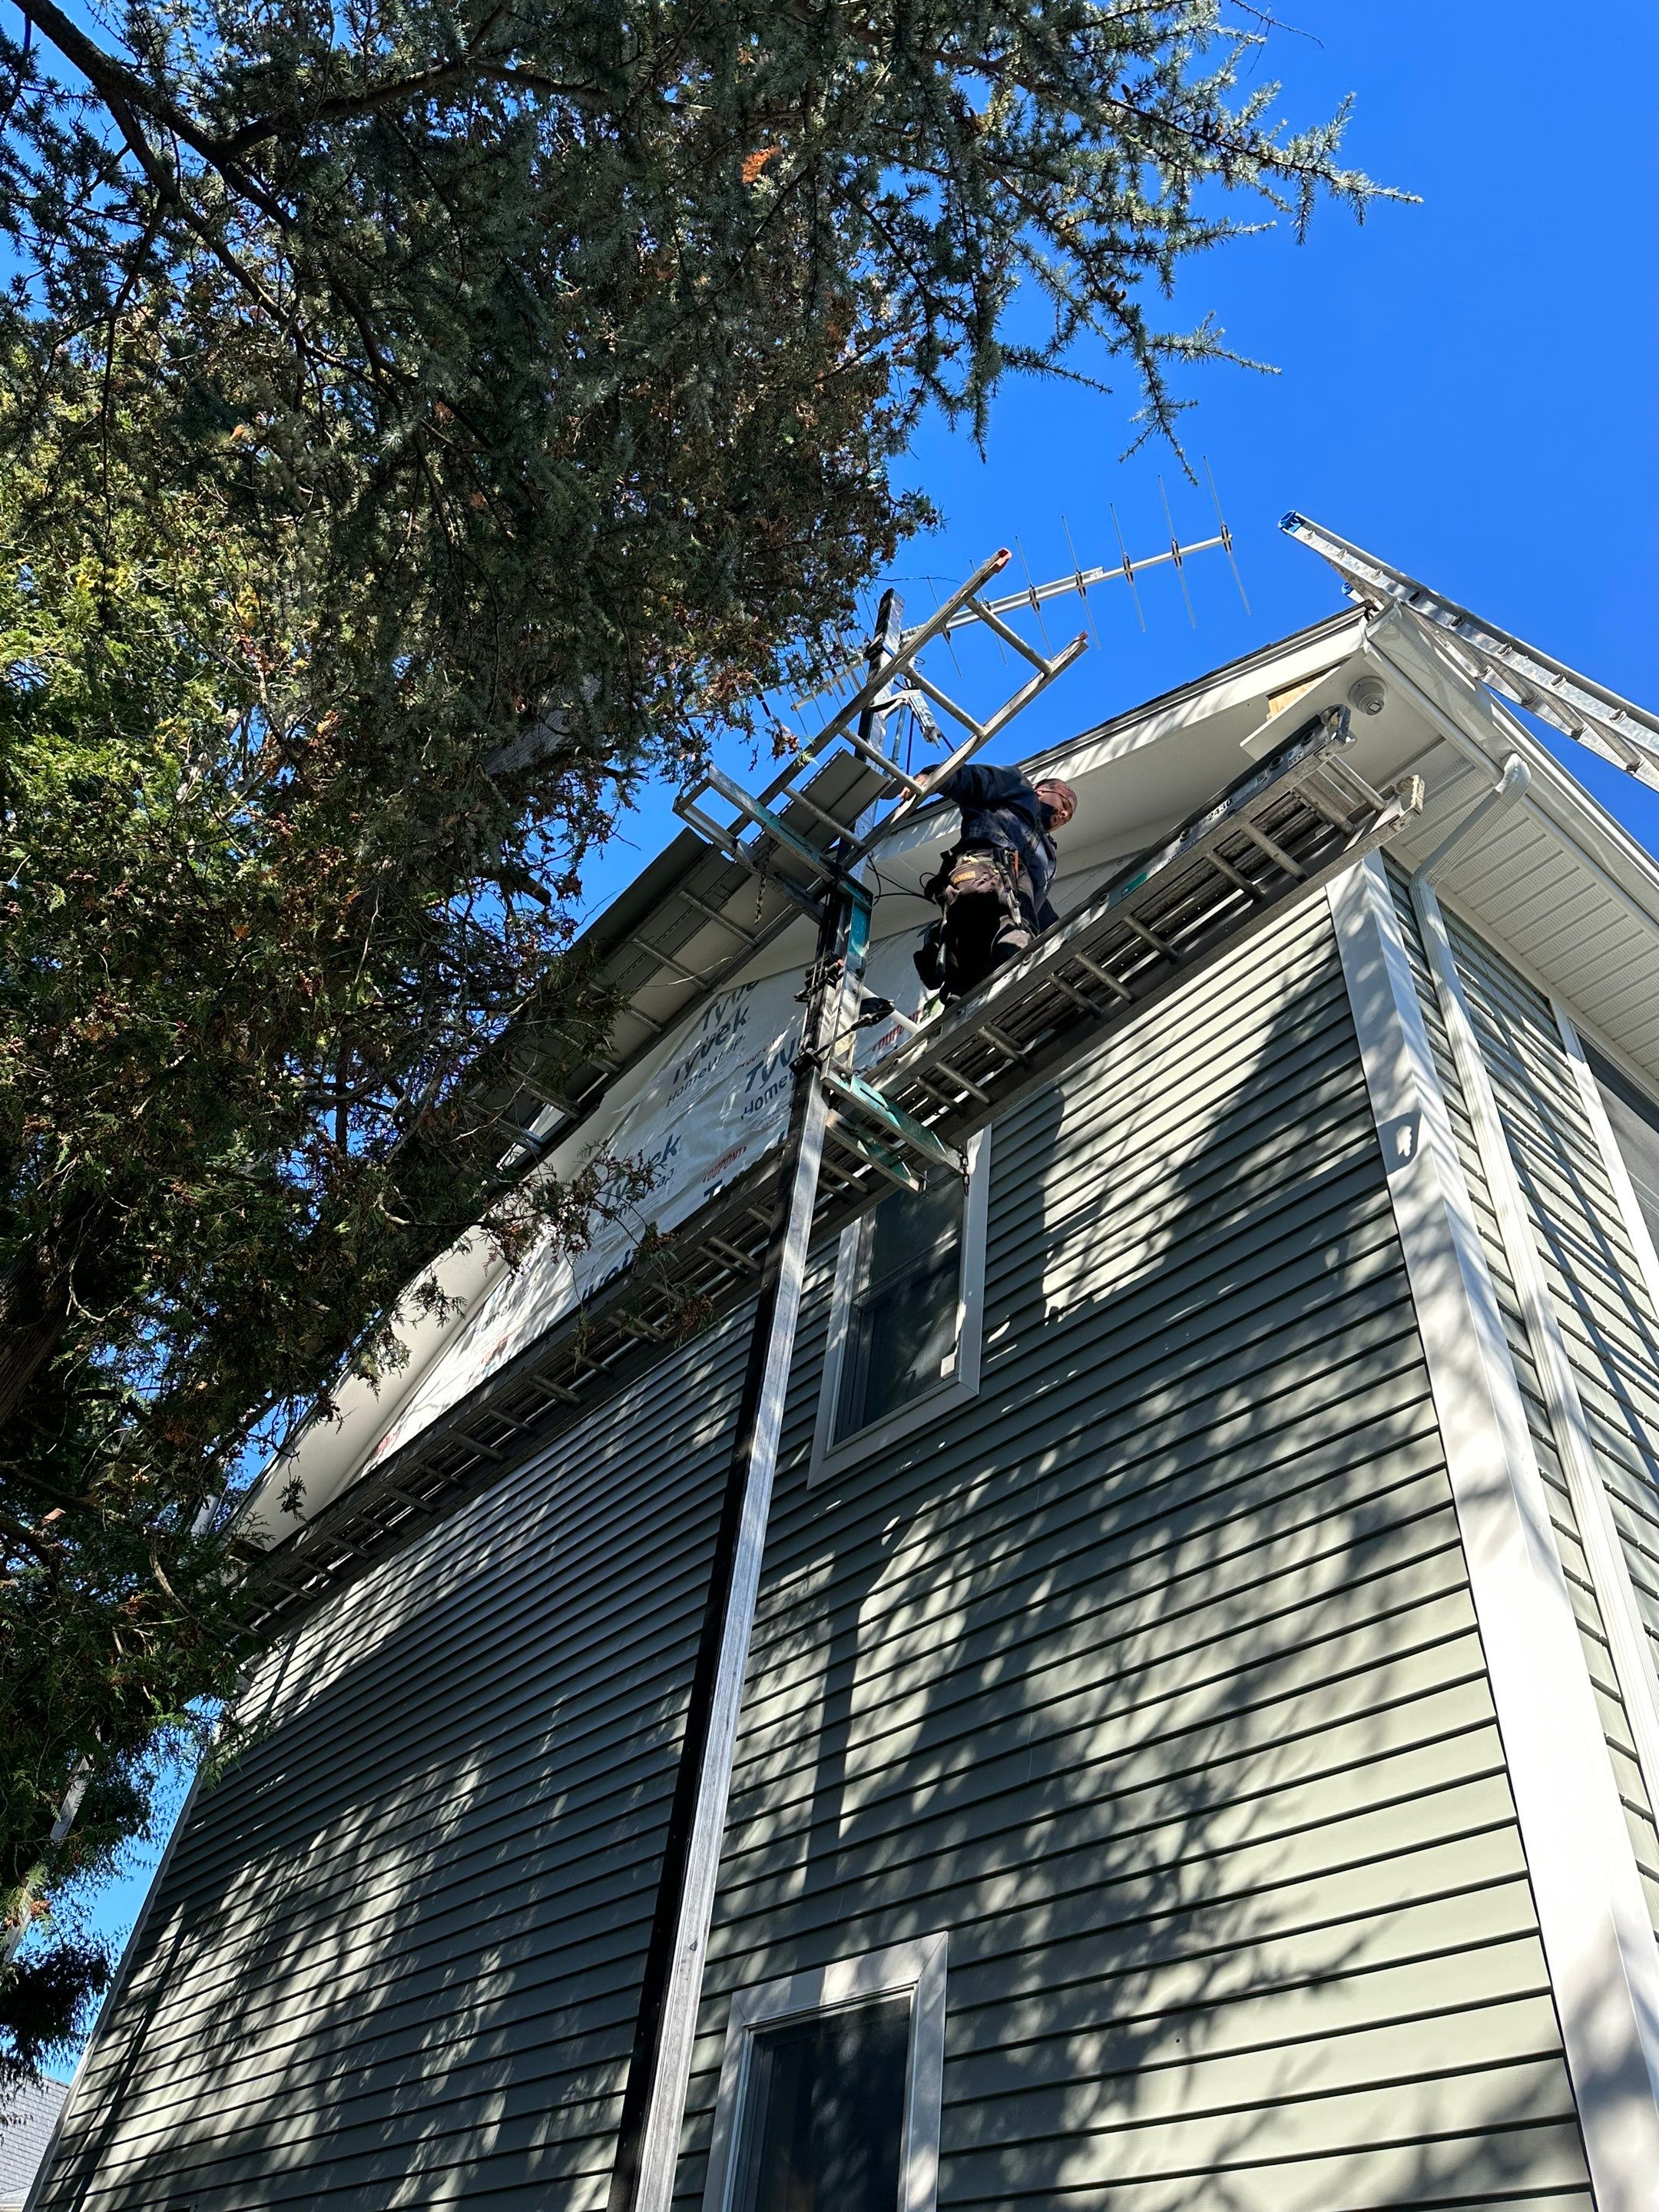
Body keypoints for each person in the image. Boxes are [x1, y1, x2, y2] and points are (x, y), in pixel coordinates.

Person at [913, 764, 1078, 1002]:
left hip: (1000, 905)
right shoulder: (1019, 790)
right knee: (1015, 936)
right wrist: (933, 777)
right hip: (986, 871)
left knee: (972, 966)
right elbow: (976, 780)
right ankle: (999, 970)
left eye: (1068, 816)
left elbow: (1040, 910)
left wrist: (1063, 942)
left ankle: (953, 981)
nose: (1063, 814)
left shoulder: (1047, 856)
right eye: (1065, 803)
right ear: (1040, 790)